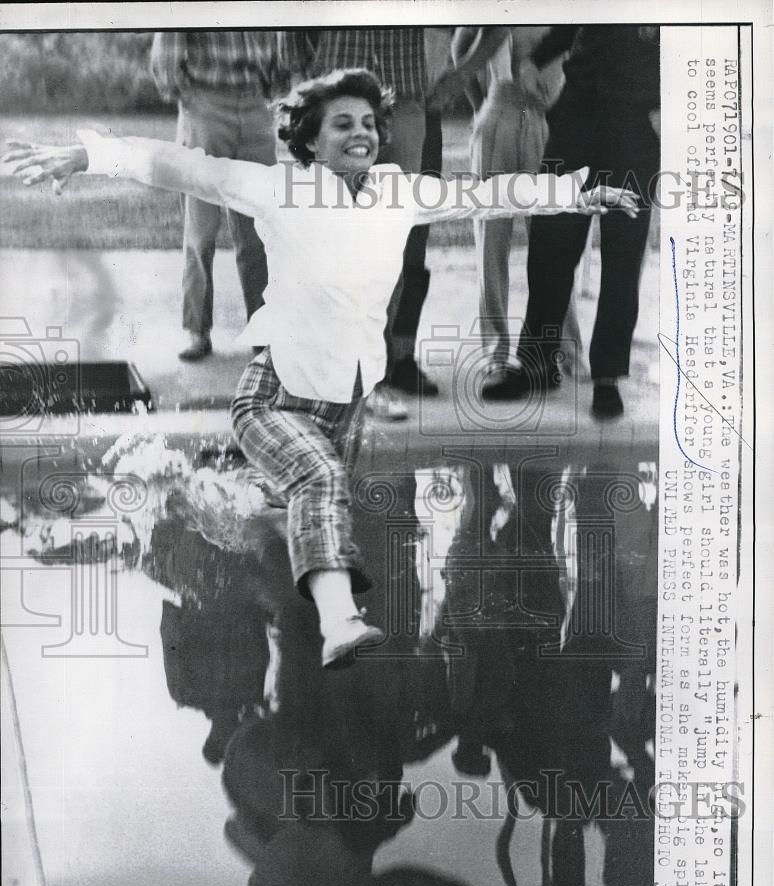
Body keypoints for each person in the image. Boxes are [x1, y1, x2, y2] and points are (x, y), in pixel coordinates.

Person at [4, 68, 638, 668]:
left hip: (345, 406)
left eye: (368, 122)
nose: (361, 132)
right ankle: (339, 623)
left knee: (286, 501)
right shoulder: (278, 189)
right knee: (318, 481)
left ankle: (206, 500)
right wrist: (88, 155)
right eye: (342, 123)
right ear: (309, 137)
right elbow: (182, 166)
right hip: (272, 396)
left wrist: (578, 194)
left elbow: (485, 196)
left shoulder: (400, 193)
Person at [276, 29, 506, 418]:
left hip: (402, 103)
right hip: (335, 102)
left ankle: (376, 374)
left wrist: (463, 72)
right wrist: (303, 84)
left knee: (392, 242)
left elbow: (497, 17)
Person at [481, 26, 660, 418]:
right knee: (549, 245)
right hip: (577, 116)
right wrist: (531, 59)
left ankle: (607, 378)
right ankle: (536, 365)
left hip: (637, 127)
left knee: (622, 255)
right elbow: (573, 22)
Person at [451, 26, 585, 384]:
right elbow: (460, 46)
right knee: (491, 245)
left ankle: (565, 348)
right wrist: (481, 107)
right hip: (498, 116)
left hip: (545, 122)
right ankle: (494, 354)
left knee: (553, 245)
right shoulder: (492, 11)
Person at [150, 31, 277, 361]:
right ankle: (197, 331)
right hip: (206, 102)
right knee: (200, 230)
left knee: (259, 232)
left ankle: (264, 333)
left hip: (256, 106)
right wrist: (189, 98)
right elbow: (169, 41)